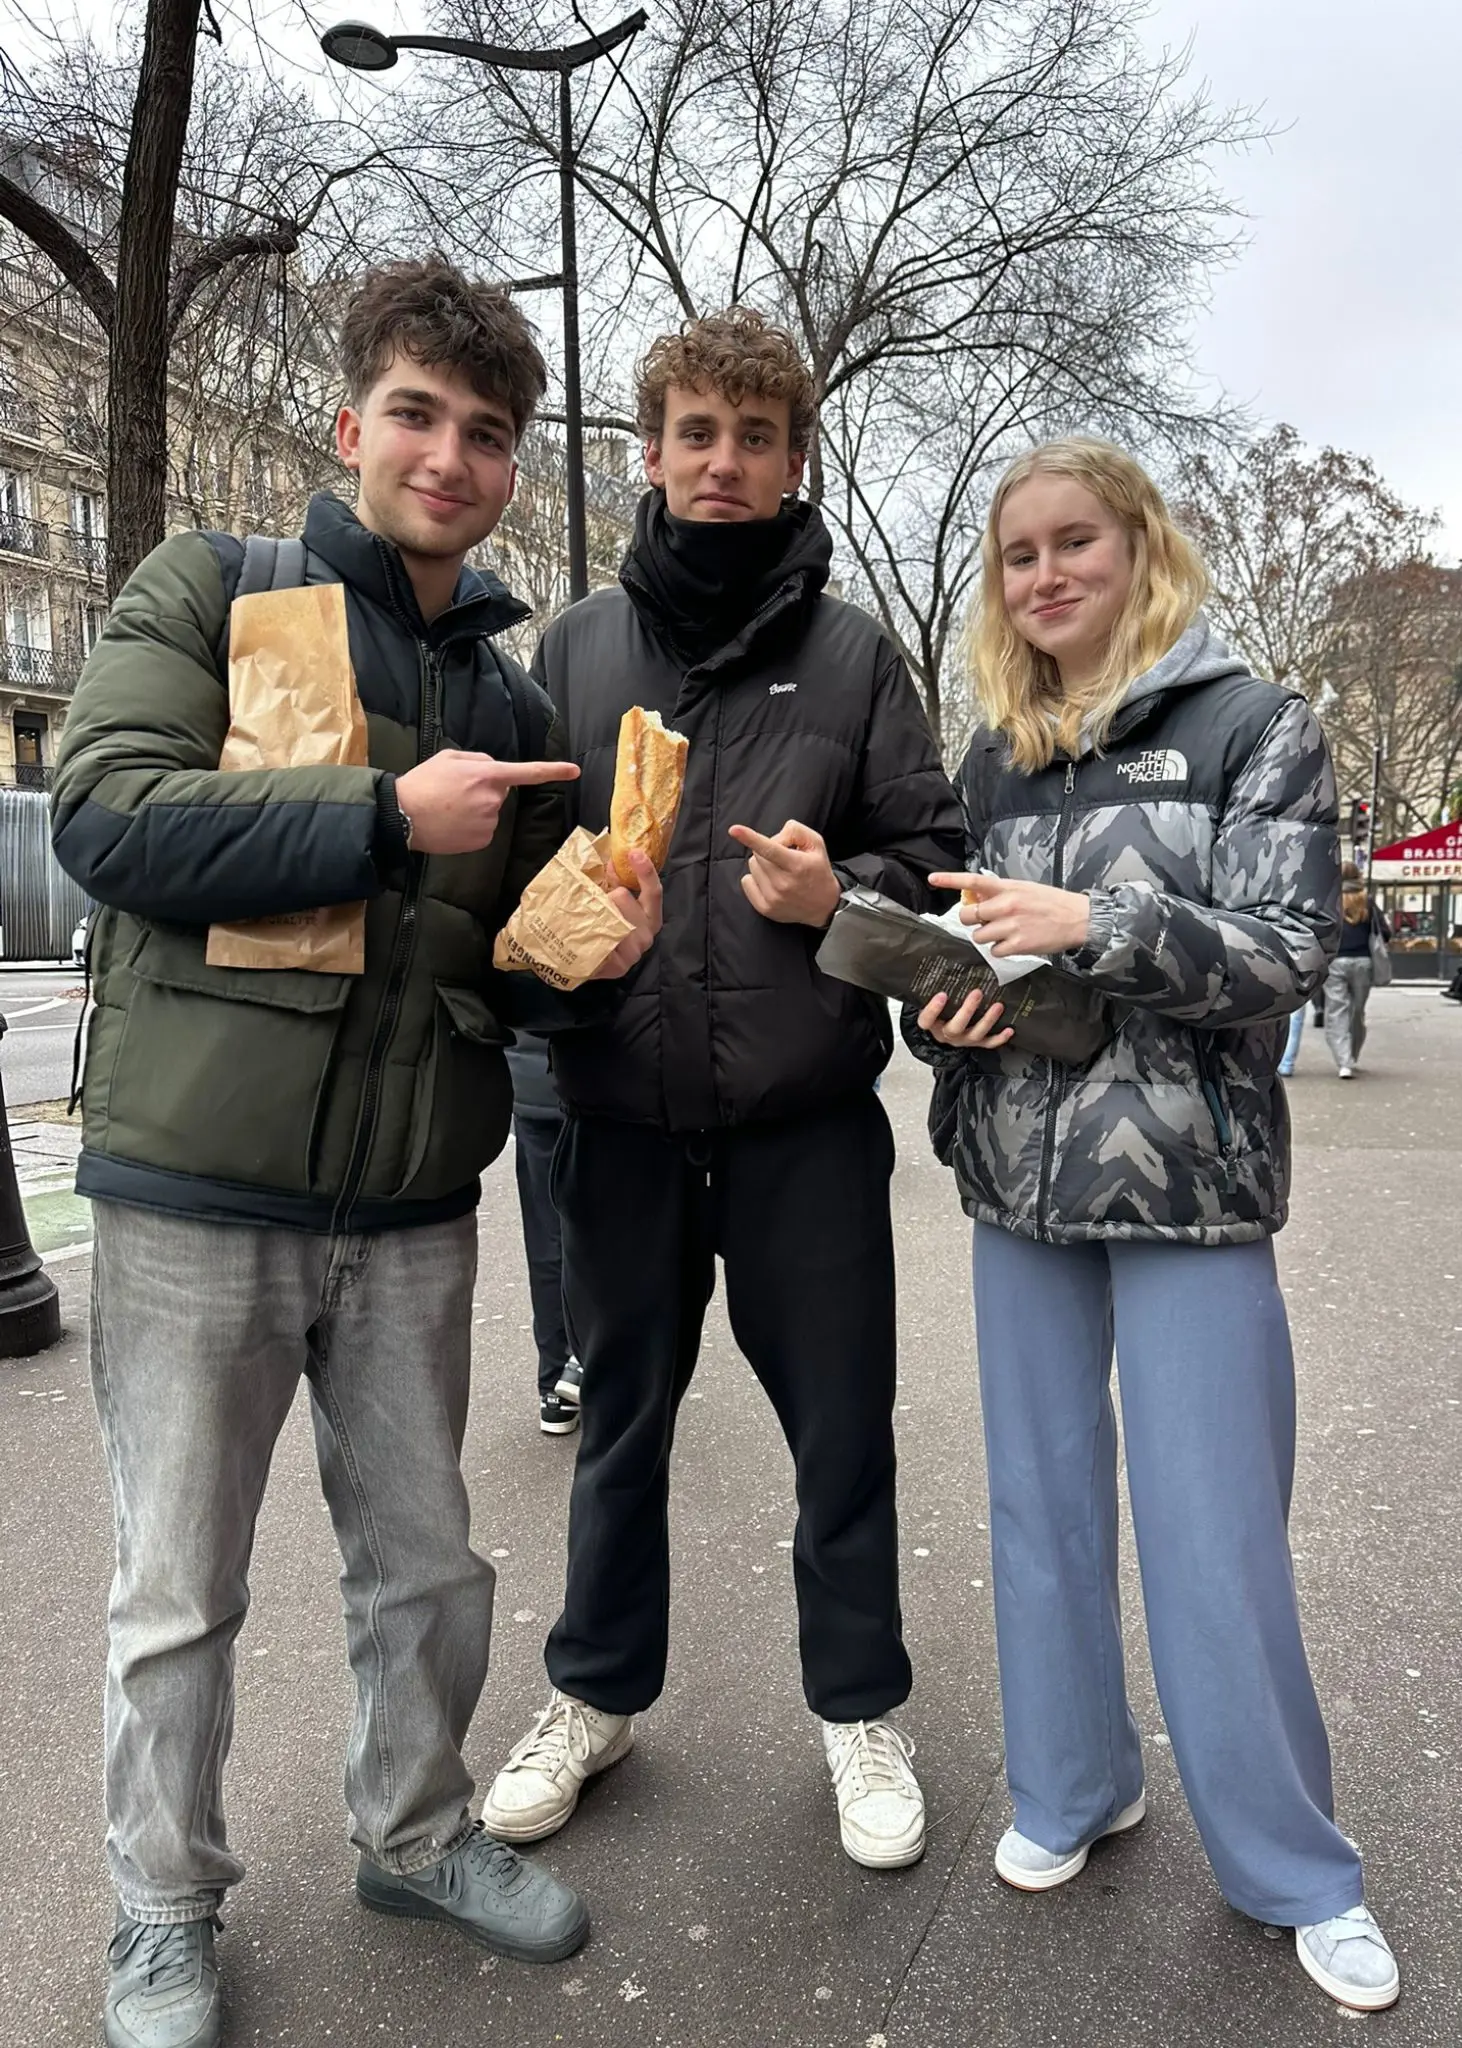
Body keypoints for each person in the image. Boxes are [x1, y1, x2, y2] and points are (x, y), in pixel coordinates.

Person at [51, 257, 659, 2048]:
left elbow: (489, 969)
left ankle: (414, 1831)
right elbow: (106, 812)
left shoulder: (515, 700)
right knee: (180, 1586)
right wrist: (384, 814)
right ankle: (163, 1905)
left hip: (407, 1205)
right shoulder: (211, 589)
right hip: (194, 1187)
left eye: (488, 432)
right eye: (419, 416)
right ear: (350, 424)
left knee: (431, 1562)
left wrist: (577, 961)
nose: (451, 458)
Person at [906, 437, 1398, 2012]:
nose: (1042, 575)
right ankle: (1070, 1785)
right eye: (1017, 555)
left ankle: (1293, 1868)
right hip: (1017, 1184)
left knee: (1213, 1537)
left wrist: (1093, 922)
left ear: (1138, 548)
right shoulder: (991, 758)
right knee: (1035, 1511)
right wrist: (942, 1016)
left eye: (1073, 544)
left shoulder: (1255, 724)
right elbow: (958, 960)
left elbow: (1277, 954)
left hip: (1189, 1193)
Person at [482, 309, 964, 1871]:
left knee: (842, 1433)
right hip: (616, 1120)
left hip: (803, 1129)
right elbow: (503, 882)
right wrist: (563, 938)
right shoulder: (570, 649)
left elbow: (931, 864)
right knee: (618, 1421)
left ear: (794, 459)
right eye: (697, 432)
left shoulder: (852, 655)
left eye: (755, 438)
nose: (723, 463)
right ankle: (594, 1694)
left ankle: (857, 1709)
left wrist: (851, 892)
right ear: (649, 452)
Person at [504, 1031, 582, 1431]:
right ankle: (591, 1361)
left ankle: (555, 1381)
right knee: (618, 1232)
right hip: (612, 1078)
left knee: (546, 1235)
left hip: (531, 1075)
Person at [1323, 862, 1391, 1077]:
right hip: (1364, 962)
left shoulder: (1330, 901)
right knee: (1357, 1012)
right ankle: (1352, 1055)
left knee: (1337, 1011)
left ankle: (1344, 1062)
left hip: (1336, 962)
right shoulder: (1367, 901)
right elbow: (1386, 932)